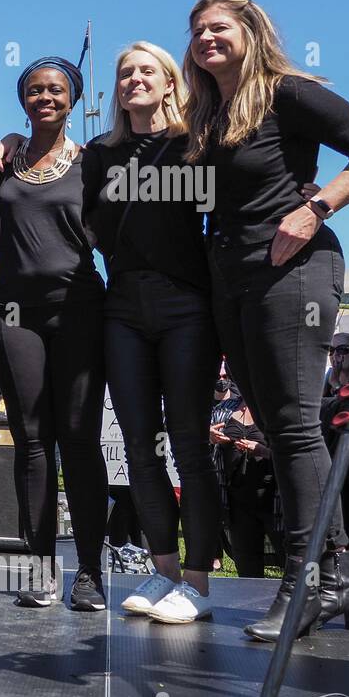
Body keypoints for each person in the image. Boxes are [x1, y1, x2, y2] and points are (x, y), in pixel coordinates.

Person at [184, 0, 349, 639]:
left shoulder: (286, 91)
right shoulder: (210, 113)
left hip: (294, 270)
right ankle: (337, 575)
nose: (206, 39)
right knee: (283, 429)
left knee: (291, 428)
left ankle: (305, 579)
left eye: (219, 28)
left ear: (250, 30)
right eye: (198, 31)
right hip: (233, 279)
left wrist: (315, 208)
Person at [79, 42, 223, 625]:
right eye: (124, 74)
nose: (134, 80)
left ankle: (198, 584)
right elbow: (70, 205)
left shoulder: (196, 143)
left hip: (187, 305)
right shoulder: (99, 153)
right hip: (124, 308)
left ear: (169, 83)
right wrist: (11, 146)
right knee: (138, 446)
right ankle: (164, 576)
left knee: (187, 444)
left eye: (147, 71)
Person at [0, 57, 109, 611]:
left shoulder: (94, 161)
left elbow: (112, 231)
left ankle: (91, 574)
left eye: (55, 90)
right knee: (32, 442)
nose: (45, 97)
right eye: (34, 90)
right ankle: (37, 568)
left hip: (78, 308)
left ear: (72, 99)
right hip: (12, 313)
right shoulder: (6, 161)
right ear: (23, 100)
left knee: (78, 442)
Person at [214, 390, 282, 577]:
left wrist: (263, 451)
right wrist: (210, 438)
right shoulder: (224, 410)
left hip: (275, 503)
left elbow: (295, 451)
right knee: (247, 569)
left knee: (291, 563)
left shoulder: (277, 408)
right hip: (237, 503)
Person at [323, 332, 349, 558]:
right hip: (336, 473)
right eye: (331, 351)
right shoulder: (328, 387)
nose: (336, 356)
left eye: (342, 350)